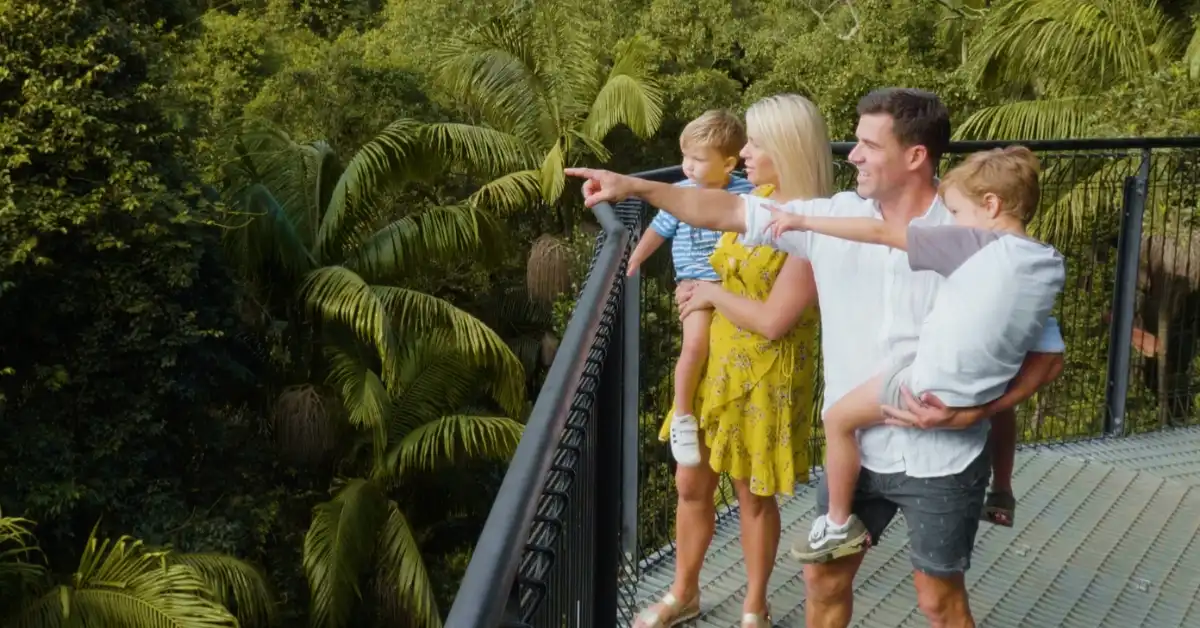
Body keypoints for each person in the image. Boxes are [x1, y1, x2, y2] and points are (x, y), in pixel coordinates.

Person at [567, 87, 1065, 628]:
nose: (851, 154)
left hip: (941, 457)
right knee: (823, 582)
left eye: (869, 145)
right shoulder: (833, 218)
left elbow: (1044, 354)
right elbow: (728, 208)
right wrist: (636, 188)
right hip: (856, 452)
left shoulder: (974, 236)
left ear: (915, 156)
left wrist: (979, 412)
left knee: (938, 603)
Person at [766, 146, 1066, 564]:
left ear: (992, 205)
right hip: (979, 396)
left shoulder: (974, 245)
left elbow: (878, 233)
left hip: (924, 386)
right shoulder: (1046, 263)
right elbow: (1051, 361)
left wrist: (801, 220)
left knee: (836, 418)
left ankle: (836, 525)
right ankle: (1002, 488)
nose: (955, 223)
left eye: (958, 212)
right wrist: (979, 410)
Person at [627, 94, 831, 628]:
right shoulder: (757, 197)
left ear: (786, 149)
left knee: (752, 496)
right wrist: (632, 186)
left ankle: (754, 607)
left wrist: (709, 294)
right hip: (718, 361)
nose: (745, 150)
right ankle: (683, 594)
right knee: (691, 485)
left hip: (766, 373)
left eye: (756, 143)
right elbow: (692, 206)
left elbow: (772, 321)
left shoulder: (815, 222)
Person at [626, 109, 756, 467]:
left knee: (735, 350)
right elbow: (658, 230)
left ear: (729, 163)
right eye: (685, 157)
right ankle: (683, 415)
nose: (688, 166)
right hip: (697, 286)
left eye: (698, 159)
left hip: (734, 285)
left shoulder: (747, 193)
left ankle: (734, 414)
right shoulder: (680, 193)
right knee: (696, 344)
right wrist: (635, 258)